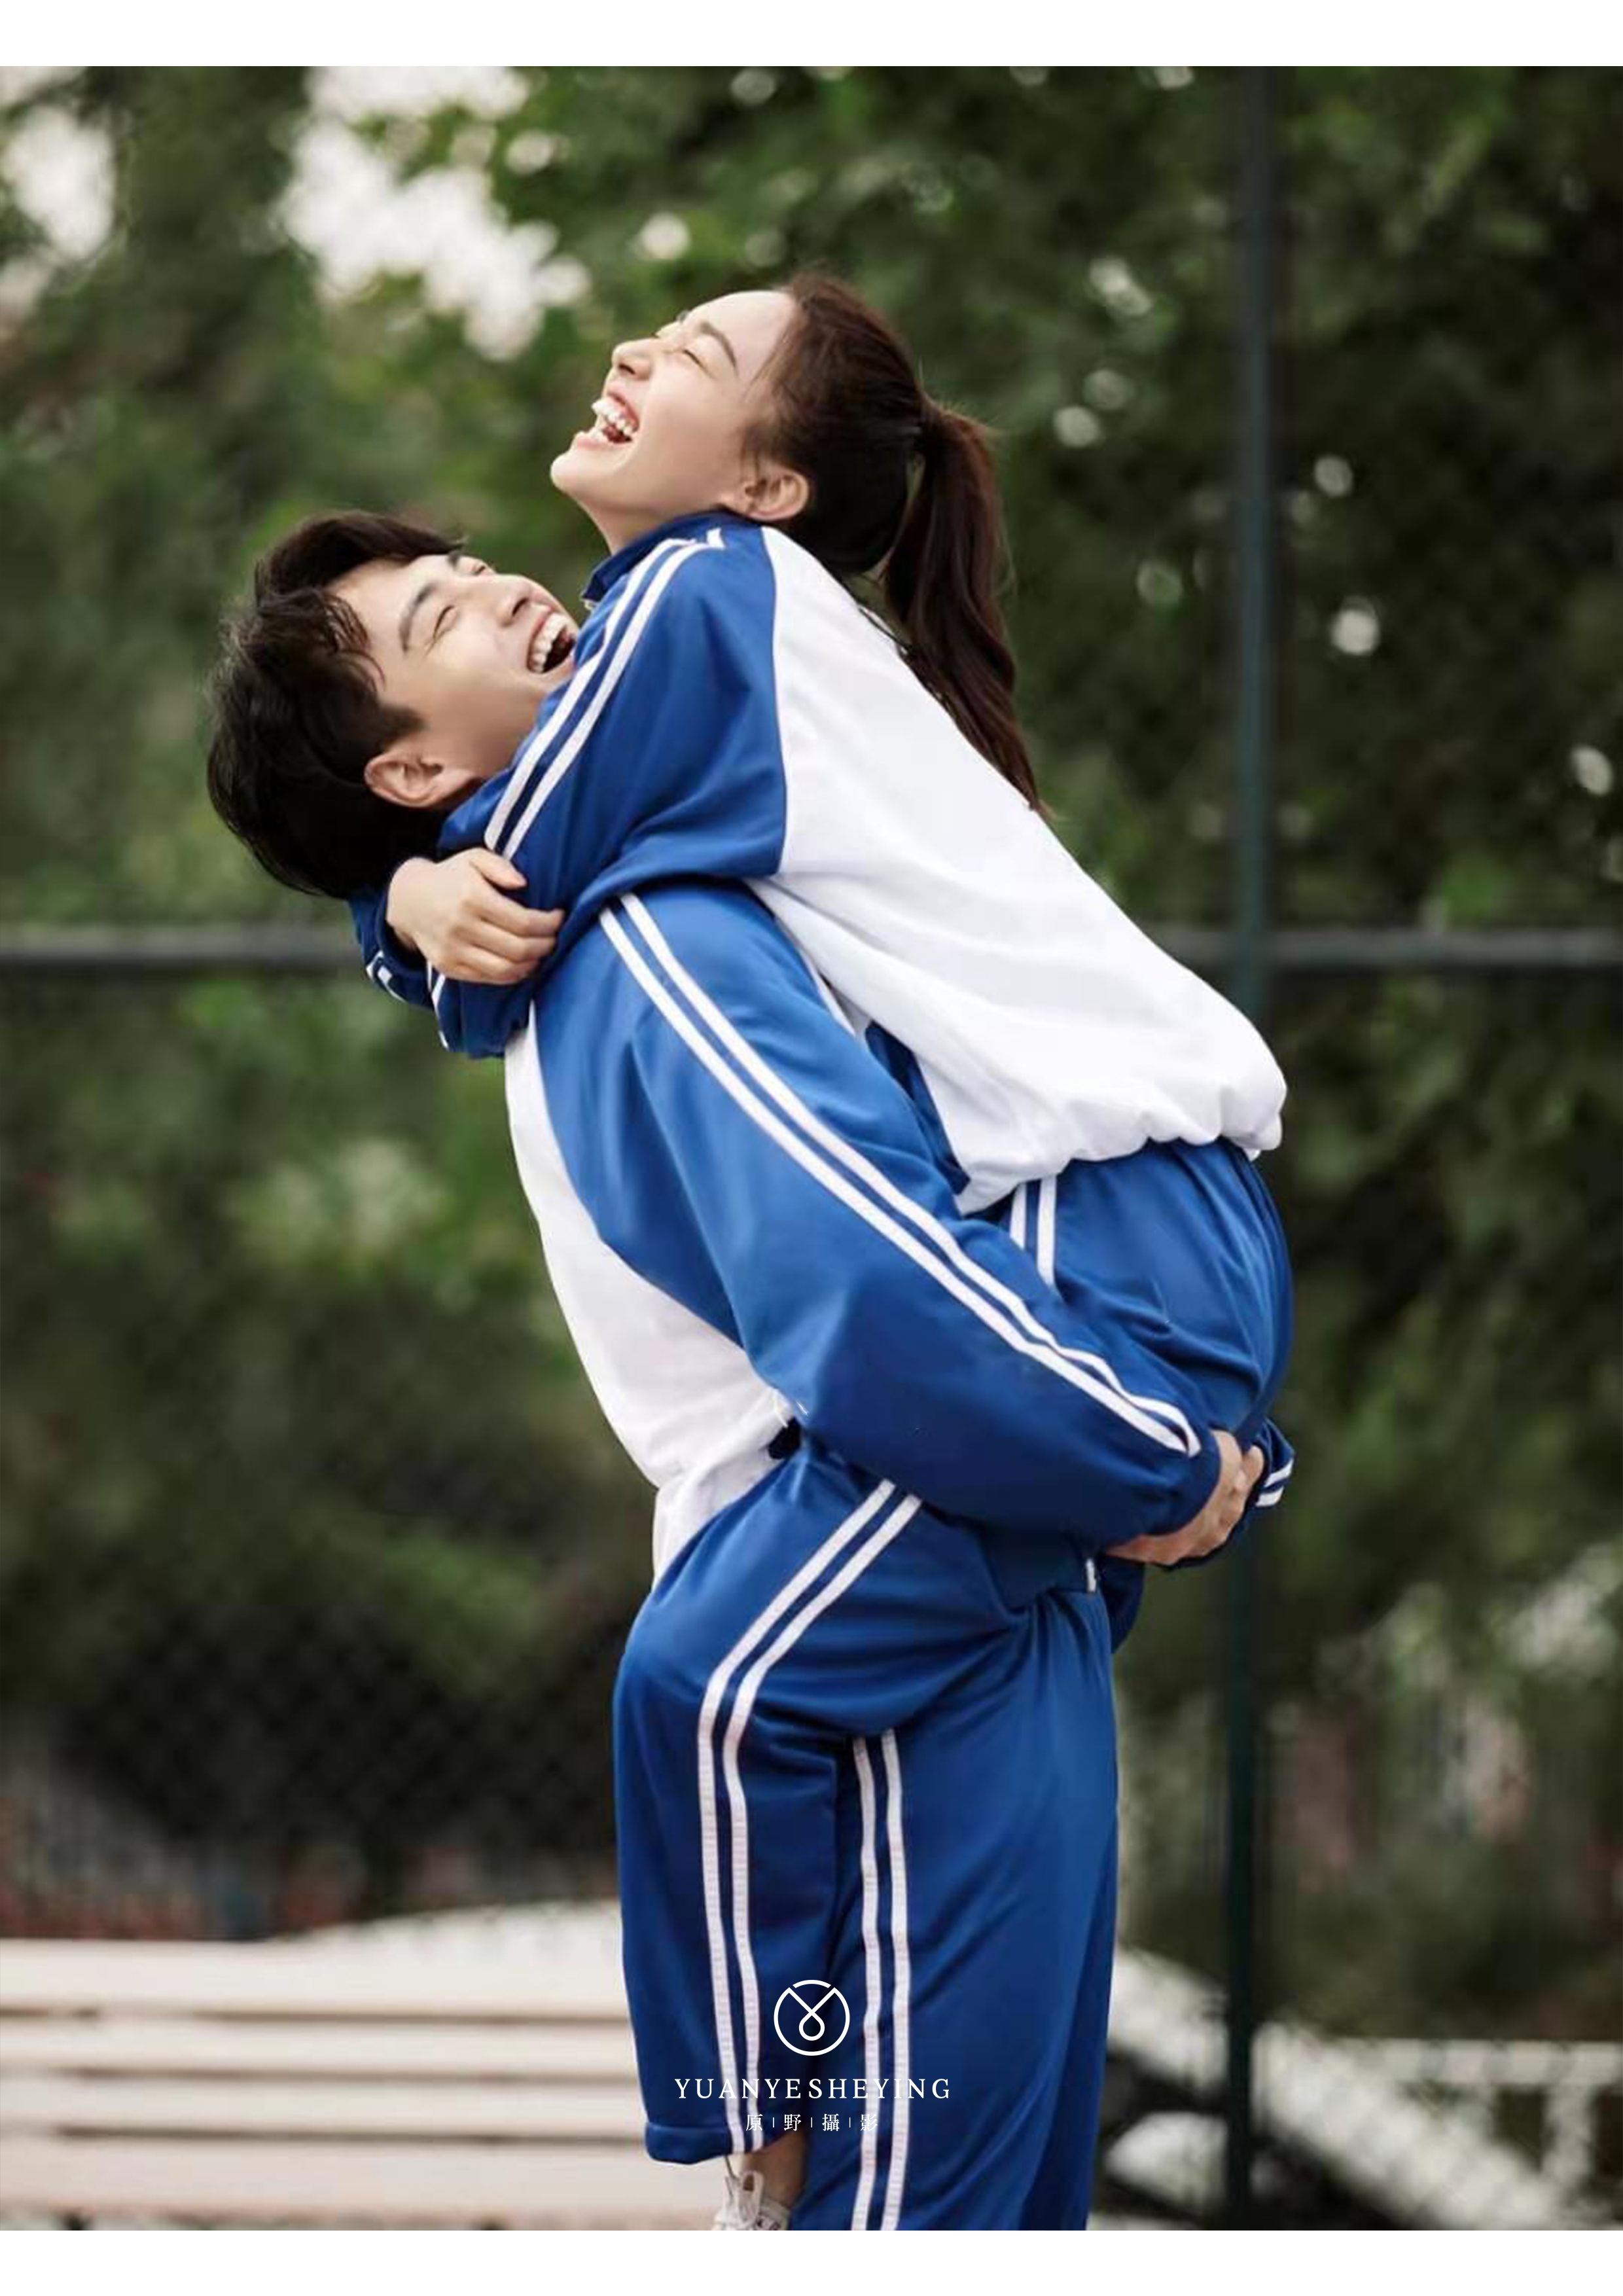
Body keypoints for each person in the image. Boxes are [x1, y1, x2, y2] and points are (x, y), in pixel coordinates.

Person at [205, 281, 1294, 2229]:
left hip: (1099, 1263)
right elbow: (524, 849)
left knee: (706, 1681)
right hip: (1117, 1272)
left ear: (770, 485)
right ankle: (769, 2142)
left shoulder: (699, 612)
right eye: (441, 611)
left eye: (698, 359)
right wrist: (406, 893)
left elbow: (531, 880)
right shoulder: (702, 718)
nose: (634, 356)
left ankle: (747, 2128)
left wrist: (408, 917)